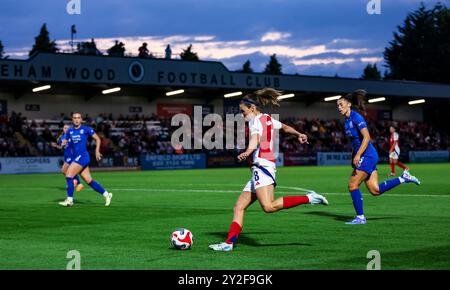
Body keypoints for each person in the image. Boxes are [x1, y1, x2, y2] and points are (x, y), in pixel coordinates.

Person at [209, 88, 328, 252]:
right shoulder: (268, 118)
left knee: (269, 207)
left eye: (243, 111)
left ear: (251, 108)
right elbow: (285, 127)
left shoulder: (255, 120)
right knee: (238, 207)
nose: (242, 114)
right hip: (262, 167)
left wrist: (247, 152)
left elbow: (255, 139)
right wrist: (299, 133)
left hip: (262, 167)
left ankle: (309, 198)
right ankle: (229, 243)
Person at [336, 90, 420, 225]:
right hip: (365, 156)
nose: (339, 107)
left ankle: (360, 217)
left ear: (349, 104)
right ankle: (403, 178)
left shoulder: (356, 118)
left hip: (367, 155)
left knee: (352, 185)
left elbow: (367, 137)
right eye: (337, 105)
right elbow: (355, 142)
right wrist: (354, 155)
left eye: (341, 104)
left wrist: (358, 155)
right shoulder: (346, 121)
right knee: (375, 190)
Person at [59, 112, 113, 207]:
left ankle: (69, 200)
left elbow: (98, 139)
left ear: (81, 120)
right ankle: (107, 195)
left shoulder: (86, 129)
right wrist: (64, 142)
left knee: (68, 175)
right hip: (76, 157)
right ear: (72, 120)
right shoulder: (69, 131)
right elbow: (67, 141)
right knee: (89, 181)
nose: (76, 119)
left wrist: (97, 151)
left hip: (83, 156)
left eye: (78, 118)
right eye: (74, 118)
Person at [51, 124, 84, 193]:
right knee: (67, 171)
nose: (66, 129)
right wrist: (56, 146)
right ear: (63, 129)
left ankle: (75, 182)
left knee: (64, 170)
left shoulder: (72, 136)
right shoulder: (62, 137)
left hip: (71, 155)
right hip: (66, 156)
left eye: (67, 128)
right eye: (65, 128)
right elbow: (61, 147)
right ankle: (77, 183)